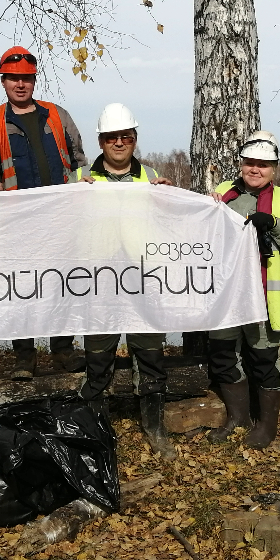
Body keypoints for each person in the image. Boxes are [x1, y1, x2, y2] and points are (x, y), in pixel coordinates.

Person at [0, 46, 89, 379]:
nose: (20, 85)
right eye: (13, 79)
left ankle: (63, 351)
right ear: (3, 81)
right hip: (15, 220)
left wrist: (85, 190)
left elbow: (79, 160)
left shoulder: (57, 114)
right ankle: (24, 357)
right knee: (21, 286)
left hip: (62, 217)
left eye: (26, 78)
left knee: (61, 284)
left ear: (34, 80)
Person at [69, 103, 178, 459]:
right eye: (112, 137)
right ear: (101, 141)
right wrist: (72, 197)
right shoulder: (80, 178)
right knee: (98, 355)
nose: (119, 143)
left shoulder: (151, 176)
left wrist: (169, 199)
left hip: (142, 280)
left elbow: (169, 227)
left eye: (126, 137)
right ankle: (96, 427)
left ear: (134, 139)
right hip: (98, 282)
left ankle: (154, 426)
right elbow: (60, 224)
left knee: (150, 354)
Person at [207, 131, 280, 447]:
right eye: (250, 163)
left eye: (263, 165)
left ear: (274, 168)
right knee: (223, 356)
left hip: (263, 299)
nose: (255, 169)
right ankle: (238, 417)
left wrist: (273, 224)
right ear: (241, 164)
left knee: (264, 360)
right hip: (225, 297)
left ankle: (266, 426)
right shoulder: (222, 193)